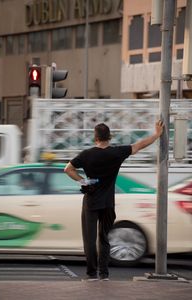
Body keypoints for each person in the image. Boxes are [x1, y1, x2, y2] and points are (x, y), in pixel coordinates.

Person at [64, 120, 164, 281]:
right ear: (109, 137)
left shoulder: (86, 154)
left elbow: (68, 169)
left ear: (95, 137)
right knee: (104, 237)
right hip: (108, 203)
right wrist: (157, 134)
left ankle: (91, 275)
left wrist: (83, 181)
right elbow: (139, 145)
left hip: (91, 202)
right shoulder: (117, 153)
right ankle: (104, 274)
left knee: (89, 240)